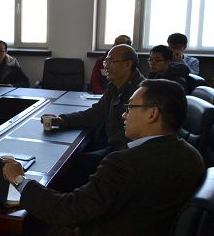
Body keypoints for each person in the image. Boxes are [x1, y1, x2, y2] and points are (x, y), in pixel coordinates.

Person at [2, 79, 204, 236]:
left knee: (26, 228)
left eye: (130, 108)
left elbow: (66, 211)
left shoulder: (126, 164)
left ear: (152, 114)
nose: (124, 115)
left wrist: (20, 180)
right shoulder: (192, 156)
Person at [46, 44, 144, 187]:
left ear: (128, 64)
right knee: (72, 162)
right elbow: (96, 113)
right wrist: (62, 120)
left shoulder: (141, 93)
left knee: (73, 167)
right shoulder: (113, 86)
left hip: (127, 154)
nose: (106, 66)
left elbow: (140, 137)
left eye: (111, 62)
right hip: (113, 147)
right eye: (105, 62)